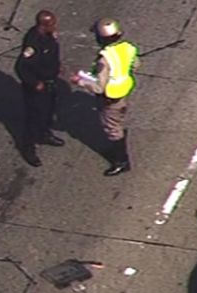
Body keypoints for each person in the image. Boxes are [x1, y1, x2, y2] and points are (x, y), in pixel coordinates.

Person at [71, 18, 139, 176]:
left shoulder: (104, 59)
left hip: (110, 98)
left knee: (112, 129)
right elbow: (135, 65)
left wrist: (80, 81)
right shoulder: (127, 48)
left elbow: (99, 87)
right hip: (123, 92)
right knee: (117, 121)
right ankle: (118, 145)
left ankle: (121, 161)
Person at [14, 10, 65, 167]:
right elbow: (21, 67)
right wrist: (35, 83)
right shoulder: (33, 42)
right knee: (34, 117)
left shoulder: (49, 36)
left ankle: (44, 134)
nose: (55, 26)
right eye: (52, 24)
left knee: (48, 112)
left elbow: (51, 54)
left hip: (51, 81)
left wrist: (57, 67)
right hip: (37, 87)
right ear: (44, 25)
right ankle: (28, 148)